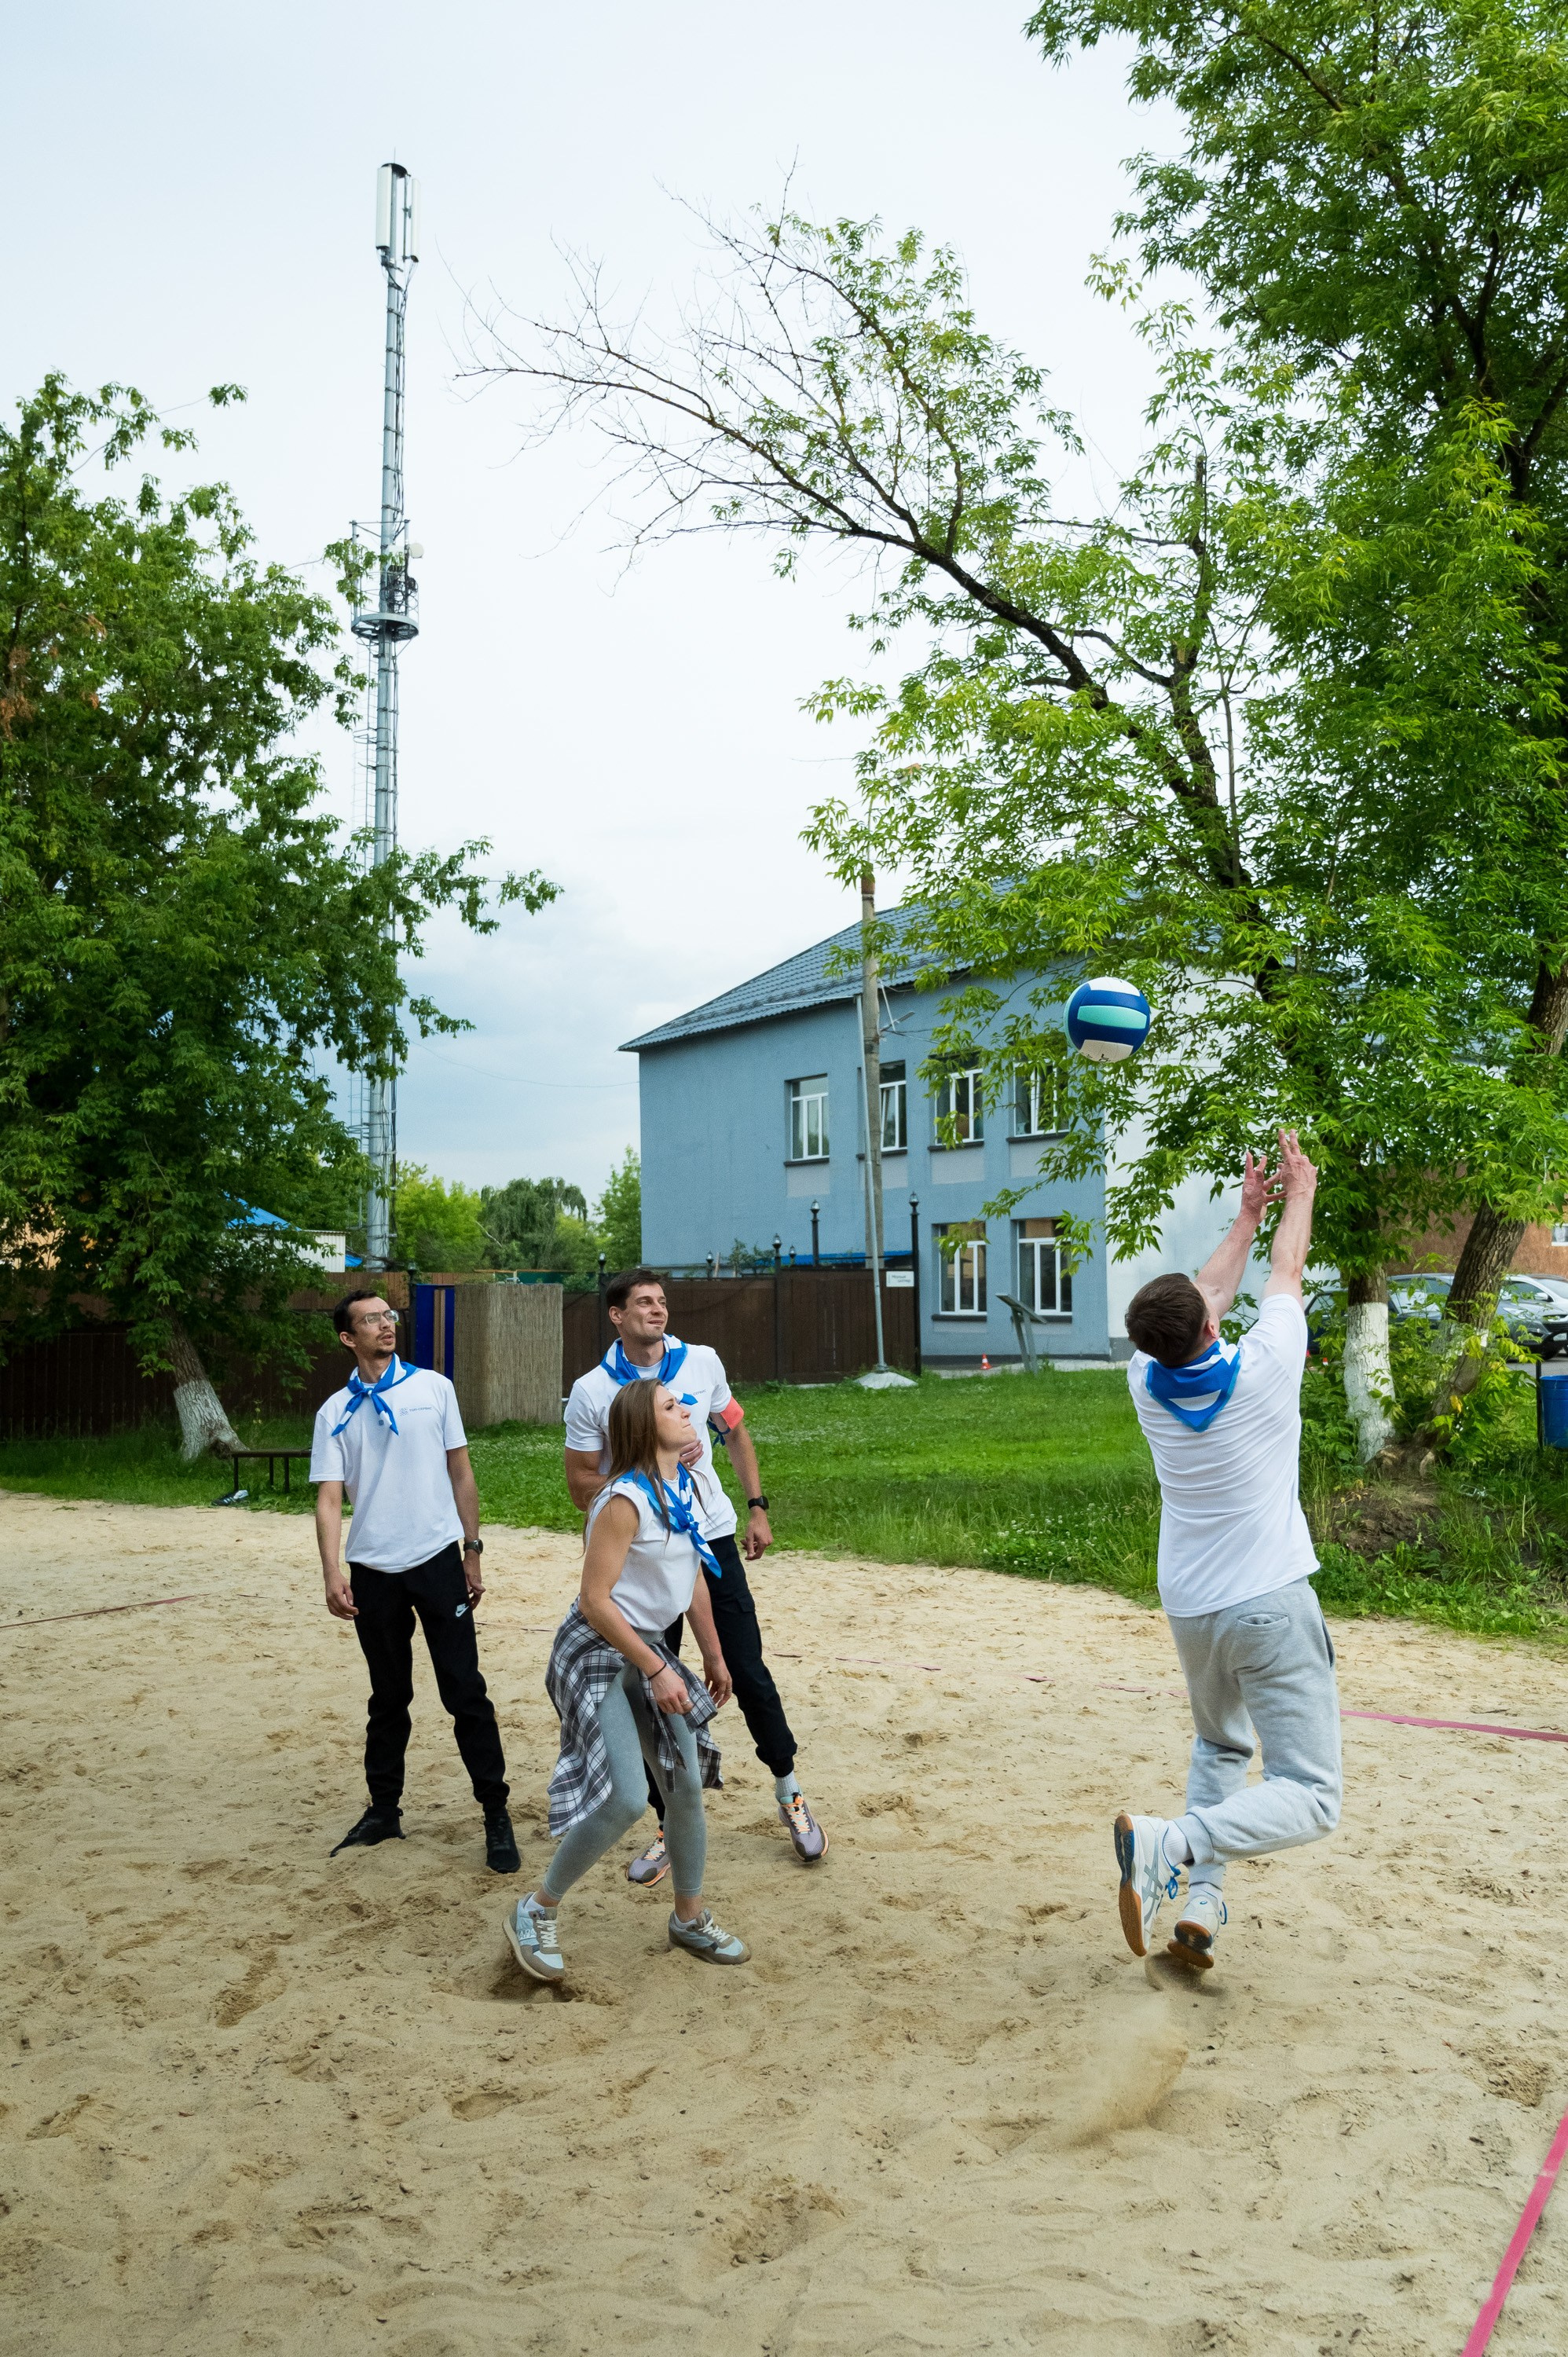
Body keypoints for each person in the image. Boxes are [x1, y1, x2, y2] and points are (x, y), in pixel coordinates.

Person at [1115, 1130, 1341, 1973]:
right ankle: (1173, 1842)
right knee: (1312, 1797)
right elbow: (1284, 1276)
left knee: (1218, 1748)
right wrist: (1298, 1193)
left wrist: (1247, 1213)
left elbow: (1202, 1296)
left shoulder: (1143, 1380)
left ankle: (1203, 1900)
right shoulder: (1268, 1364)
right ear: (1210, 1324)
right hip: (1270, 1600)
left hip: (1193, 1605)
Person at [562, 1266, 826, 1880]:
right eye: (644, 1303)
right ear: (616, 1315)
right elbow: (579, 1485)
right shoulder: (593, 1390)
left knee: (744, 1671)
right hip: (644, 1549)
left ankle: (789, 1790)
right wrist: (647, 1473)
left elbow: (734, 1432)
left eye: (662, 1302)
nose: (658, 1311)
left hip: (707, 1538)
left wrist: (757, 1506)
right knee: (656, 1692)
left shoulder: (700, 1361)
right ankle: (665, 1822)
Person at [505, 1377, 748, 1984]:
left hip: (647, 1651)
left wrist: (714, 1656)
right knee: (626, 1798)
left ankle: (688, 1919)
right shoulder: (621, 1500)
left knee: (685, 1784)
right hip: (597, 1653)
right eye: (671, 1406)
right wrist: (659, 1667)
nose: (687, 1409)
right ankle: (535, 1910)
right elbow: (595, 1602)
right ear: (645, 1426)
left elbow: (691, 1574)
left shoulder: (684, 1482)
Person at [311, 1288, 520, 1875]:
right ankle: (384, 1809)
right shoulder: (334, 1412)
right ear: (348, 1338)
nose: (386, 1325)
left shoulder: (435, 1389)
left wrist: (471, 1550)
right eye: (371, 1320)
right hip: (373, 1568)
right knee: (388, 1696)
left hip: (436, 1560)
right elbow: (330, 1500)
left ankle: (495, 1813)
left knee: (464, 1690)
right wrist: (332, 1570)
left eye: (388, 1316)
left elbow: (461, 1469)